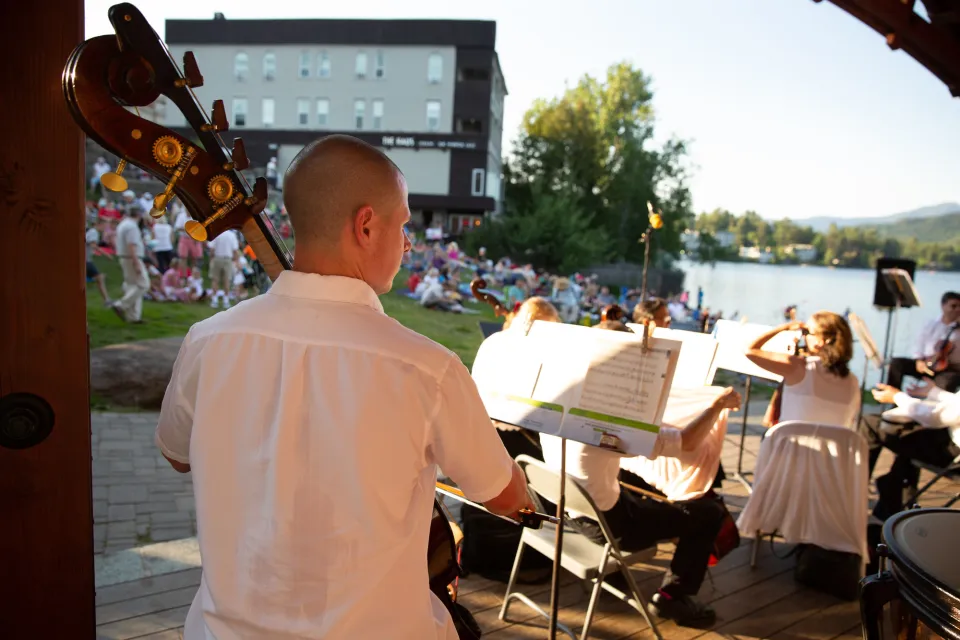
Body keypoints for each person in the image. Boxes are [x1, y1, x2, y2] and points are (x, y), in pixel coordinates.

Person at [154, 134, 532, 640]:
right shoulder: (428, 369)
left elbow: (177, 454)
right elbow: (506, 498)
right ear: (366, 225)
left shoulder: (207, 340)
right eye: (403, 226)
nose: (407, 242)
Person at [539, 322, 741, 627]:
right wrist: (717, 404)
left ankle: (623, 574)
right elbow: (687, 443)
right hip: (610, 526)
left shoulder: (556, 394)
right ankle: (674, 596)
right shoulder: (610, 418)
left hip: (565, 510)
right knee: (709, 512)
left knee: (637, 483)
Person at [862, 380, 960, 520]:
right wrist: (933, 392)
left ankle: (855, 493)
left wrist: (897, 397)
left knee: (870, 424)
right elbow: (955, 406)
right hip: (951, 443)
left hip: (953, 455)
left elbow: (934, 416)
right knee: (909, 438)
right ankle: (892, 511)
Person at [745, 311, 860, 428]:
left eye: (806, 332)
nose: (803, 337)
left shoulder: (799, 367)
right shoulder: (853, 382)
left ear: (821, 341)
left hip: (791, 444)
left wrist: (784, 328)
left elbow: (749, 350)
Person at [885, 291, 960, 393]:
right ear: (943, 306)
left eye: (959, 306)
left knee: (944, 381)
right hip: (927, 363)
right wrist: (918, 360)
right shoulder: (930, 324)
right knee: (897, 363)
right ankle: (893, 398)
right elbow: (919, 343)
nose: (957, 310)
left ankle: (935, 407)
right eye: (953, 306)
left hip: (948, 368)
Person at [110, 204, 149, 323]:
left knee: (133, 285)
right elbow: (131, 245)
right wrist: (136, 262)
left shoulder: (124, 224)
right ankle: (121, 305)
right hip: (132, 258)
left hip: (125, 257)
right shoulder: (132, 226)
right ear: (139, 214)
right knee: (144, 284)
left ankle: (133, 317)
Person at [207, 229, 240, 309]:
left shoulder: (216, 234)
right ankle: (226, 301)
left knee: (215, 280)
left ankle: (215, 300)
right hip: (227, 259)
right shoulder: (232, 235)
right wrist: (236, 261)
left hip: (217, 258)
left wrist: (211, 259)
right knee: (227, 281)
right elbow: (235, 250)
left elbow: (212, 249)